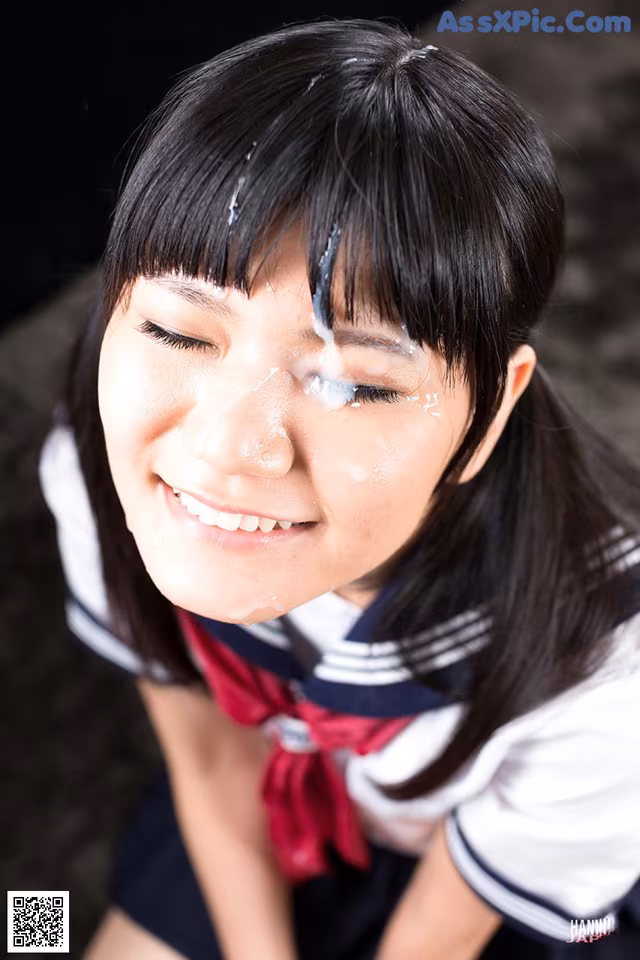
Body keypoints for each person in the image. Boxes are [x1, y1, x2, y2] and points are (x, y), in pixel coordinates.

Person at [37, 17, 640, 960]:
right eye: (181, 332)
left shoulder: (608, 669)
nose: (228, 449)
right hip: (271, 805)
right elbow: (210, 756)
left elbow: (440, 934)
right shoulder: (101, 465)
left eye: (354, 384)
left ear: (489, 415)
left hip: (478, 889)